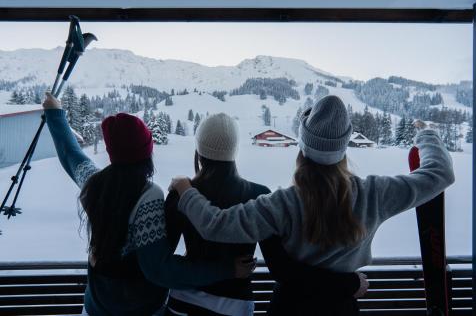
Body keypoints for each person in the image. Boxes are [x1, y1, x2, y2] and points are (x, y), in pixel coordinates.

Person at [169, 95, 455, 315]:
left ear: (302, 145)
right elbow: (439, 174)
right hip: (341, 308)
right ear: (343, 147)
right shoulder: (375, 194)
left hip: (289, 308)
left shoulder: (282, 204)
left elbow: (213, 225)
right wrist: (426, 135)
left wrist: (186, 190)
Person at [42, 93, 254, 316]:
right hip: (141, 310)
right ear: (146, 152)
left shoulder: (95, 184)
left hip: (95, 307)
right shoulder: (148, 196)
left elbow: (70, 154)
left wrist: (54, 112)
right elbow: (159, 270)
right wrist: (227, 269)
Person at [164, 113, 368, 316]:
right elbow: (282, 268)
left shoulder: (180, 194)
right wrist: (347, 282)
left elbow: (162, 263)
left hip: (182, 303)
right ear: (234, 151)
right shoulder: (257, 195)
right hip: (234, 306)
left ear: (199, 151)